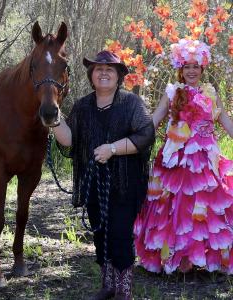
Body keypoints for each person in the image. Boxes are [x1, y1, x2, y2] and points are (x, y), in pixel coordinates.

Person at [53, 50, 155, 300]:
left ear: (119, 76)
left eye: (110, 69)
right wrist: (53, 117)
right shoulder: (82, 106)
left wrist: (112, 149)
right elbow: (70, 141)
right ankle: (108, 285)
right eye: (98, 69)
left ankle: (124, 290)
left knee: (120, 233)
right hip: (95, 183)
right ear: (91, 76)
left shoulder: (131, 103)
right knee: (101, 233)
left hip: (125, 182)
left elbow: (145, 135)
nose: (103, 73)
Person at [134, 39, 233, 275]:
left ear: (202, 69)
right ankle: (178, 258)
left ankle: (207, 258)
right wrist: (131, 140)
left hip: (205, 160)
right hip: (176, 160)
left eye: (195, 67)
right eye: (187, 66)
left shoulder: (211, 94)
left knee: (205, 205)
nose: (191, 71)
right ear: (180, 69)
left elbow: (227, 122)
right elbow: (153, 122)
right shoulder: (171, 93)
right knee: (175, 206)